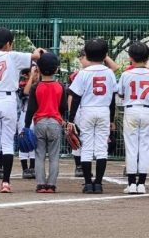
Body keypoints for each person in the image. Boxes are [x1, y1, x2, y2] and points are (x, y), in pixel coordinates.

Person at [0, 27, 44, 193]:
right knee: (7, 143)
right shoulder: (13, 56)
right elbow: (36, 56)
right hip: (9, 100)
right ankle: (6, 183)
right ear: (8, 44)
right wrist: (38, 50)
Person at [68, 38, 117, 194]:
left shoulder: (83, 73)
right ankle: (99, 183)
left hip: (87, 111)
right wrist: (111, 119)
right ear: (105, 55)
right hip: (103, 110)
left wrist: (71, 119)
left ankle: (88, 184)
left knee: (87, 148)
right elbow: (112, 98)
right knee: (102, 148)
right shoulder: (109, 72)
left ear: (87, 55)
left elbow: (76, 97)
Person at [117, 42, 149, 194]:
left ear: (130, 57)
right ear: (147, 58)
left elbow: (120, 93)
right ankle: (141, 183)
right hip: (146, 110)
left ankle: (131, 184)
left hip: (131, 109)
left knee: (131, 146)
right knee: (145, 146)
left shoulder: (126, 74)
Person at [24, 52, 67, 193]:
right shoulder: (60, 86)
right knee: (54, 156)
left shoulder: (36, 87)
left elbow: (31, 109)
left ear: (39, 69)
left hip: (40, 122)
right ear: (56, 69)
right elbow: (63, 107)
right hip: (55, 122)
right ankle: (51, 185)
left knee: (39, 155)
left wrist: (26, 126)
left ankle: (41, 184)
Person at [67, 48, 88, 178]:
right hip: (79, 109)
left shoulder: (98, 71)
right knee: (77, 136)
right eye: (83, 57)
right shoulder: (76, 75)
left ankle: (85, 166)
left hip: (90, 109)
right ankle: (78, 166)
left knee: (87, 139)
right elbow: (71, 95)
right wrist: (72, 115)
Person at [17, 67, 37, 179]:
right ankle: (25, 169)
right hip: (24, 114)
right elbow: (25, 92)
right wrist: (31, 78)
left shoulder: (40, 84)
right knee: (24, 139)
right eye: (33, 72)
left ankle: (32, 167)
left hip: (37, 115)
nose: (36, 74)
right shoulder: (22, 84)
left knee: (34, 140)